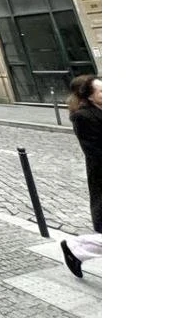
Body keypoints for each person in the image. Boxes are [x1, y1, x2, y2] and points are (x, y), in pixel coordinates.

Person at [61, 74, 103, 277]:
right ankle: (75, 247)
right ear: (90, 97)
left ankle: (76, 249)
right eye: (102, 91)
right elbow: (95, 152)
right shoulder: (83, 117)